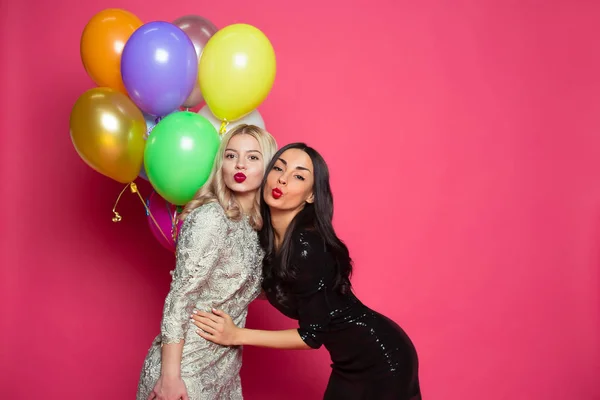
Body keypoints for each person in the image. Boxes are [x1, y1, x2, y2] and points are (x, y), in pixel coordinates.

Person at [191, 143, 422, 400]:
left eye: (298, 176)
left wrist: (236, 335)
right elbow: (271, 289)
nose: (282, 179)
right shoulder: (267, 242)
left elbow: (311, 336)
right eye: (278, 168)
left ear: (311, 195)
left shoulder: (306, 247)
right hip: (348, 364)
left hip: (382, 357)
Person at [137, 125, 278, 400]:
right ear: (220, 165)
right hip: (185, 372)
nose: (239, 164)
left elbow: (239, 290)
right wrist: (170, 378)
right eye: (230, 155)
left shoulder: (256, 228)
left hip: (224, 371)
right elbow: (180, 297)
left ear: (269, 167)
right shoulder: (211, 217)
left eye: (252, 157)